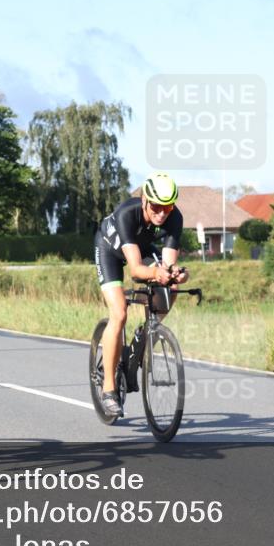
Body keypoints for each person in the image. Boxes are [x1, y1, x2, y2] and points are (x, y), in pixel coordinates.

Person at [93, 172, 189, 417]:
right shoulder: (128, 213)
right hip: (109, 250)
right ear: (145, 200)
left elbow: (167, 264)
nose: (161, 213)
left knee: (171, 288)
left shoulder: (174, 218)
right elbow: (136, 270)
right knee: (119, 313)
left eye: (167, 207)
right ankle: (108, 390)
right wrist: (157, 273)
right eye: (156, 206)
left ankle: (148, 329)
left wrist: (175, 273)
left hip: (143, 248)